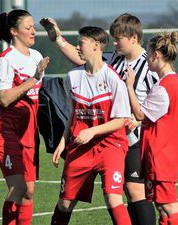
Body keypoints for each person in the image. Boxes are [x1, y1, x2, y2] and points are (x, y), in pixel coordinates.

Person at [40, 14, 157, 225]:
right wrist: (57, 38)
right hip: (96, 136)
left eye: (118, 37)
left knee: (133, 190)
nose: (114, 42)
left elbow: (157, 105)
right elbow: (83, 60)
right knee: (70, 202)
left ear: (133, 38)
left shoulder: (150, 67)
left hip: (131, 139)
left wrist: (140, 119)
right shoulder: (113, 59)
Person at [50, 26, 131, 225]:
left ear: (96, 46)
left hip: (110, 145)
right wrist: (63, 141)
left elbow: (121, 120)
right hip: (80, 146)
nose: (77, 47)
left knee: (113, 199)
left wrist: (92, 131)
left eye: (81, 43)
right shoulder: (72, 77)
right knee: (65, 203)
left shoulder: (113, 79)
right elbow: (72, 114)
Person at [0, 9, 49, 225]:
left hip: (29, 132)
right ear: (14, 32)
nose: (34, 31)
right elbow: (4, 99)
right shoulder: (5, 61)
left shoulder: (37, 56)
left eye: (34, 26)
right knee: (18, 187)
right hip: (6, 131)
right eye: (28, 27)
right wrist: (34, 78)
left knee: (29, 192)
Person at [125, 31, 178, 225]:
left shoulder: (164, 86)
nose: (146, 58)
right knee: (162, 207)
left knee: (169, 206)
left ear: (156, 55)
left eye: (148, 53)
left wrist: (130, 87)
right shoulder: (167, 83)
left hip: (161, 156)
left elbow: (141, 114)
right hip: (160, 155)